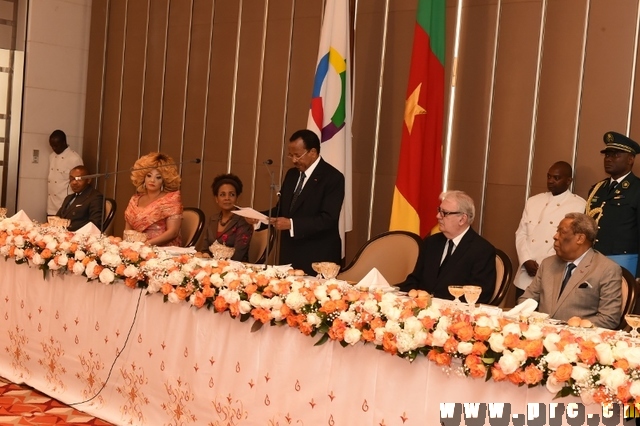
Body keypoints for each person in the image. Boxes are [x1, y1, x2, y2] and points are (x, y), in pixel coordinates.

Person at [518, 213, 622, 329]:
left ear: (580, 238)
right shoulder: (548, 264)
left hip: (578, 340)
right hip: (539, 332)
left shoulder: (606, 269)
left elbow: (609, 318)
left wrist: (565, 328)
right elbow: (526, 299)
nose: (555, 236)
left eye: (562, 232)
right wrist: (535, 320)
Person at [266, 129, 344, 275]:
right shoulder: (292, 174)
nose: (294, 160)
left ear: (313, 152)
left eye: (297, 155)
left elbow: (328, 219)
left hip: (317, 257)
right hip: (290, 255)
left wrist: (292, 224)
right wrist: (258, 218)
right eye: (291, 155)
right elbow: (282, 210)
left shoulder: (333, 177)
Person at [398, 190, 496, 304]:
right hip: (421, 311)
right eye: (439, 210)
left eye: (445, 213)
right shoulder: (431, 243)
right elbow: (414, 280)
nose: (438, 216)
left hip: (454, 315)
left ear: (462, 219)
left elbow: (478, 296)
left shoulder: (482, 250)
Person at [514, 161, 586, 299]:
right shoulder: (533, 201)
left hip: (553, 274)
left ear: (568, 181)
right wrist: (526, 260)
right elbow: (521, 234)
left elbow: (571, 243)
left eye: (556, 178)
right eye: (549, 177)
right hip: (525, 274)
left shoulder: (579, 205)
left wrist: (544, 265)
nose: (551, 181)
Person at [586, 131, 640, 277]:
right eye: (607, 155)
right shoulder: (598, 188)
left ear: (630, 159)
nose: (609, 159)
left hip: (624, 263)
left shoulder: (637, 189)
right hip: (593, 260)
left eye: (616, 155)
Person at [124, 152, 183, 246]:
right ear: (143, 177)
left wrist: (146, 244)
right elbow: (128, 232)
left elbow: (173, 233)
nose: (152, 180)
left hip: (163, 251)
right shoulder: (134, 200)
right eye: (149, 175)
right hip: (135, 249)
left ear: (164, 180)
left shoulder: (171, 200)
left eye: (158, 177)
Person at [200, 173, 253, 261]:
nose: (227, 198)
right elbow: (205, 249)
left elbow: (238, 255)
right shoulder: (213, 219)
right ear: (216, 199)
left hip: (234, 268)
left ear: (237, 198)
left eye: (231, 194)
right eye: (222, 195)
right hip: (211, 266)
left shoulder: (243, 220)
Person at [55, 165, 104, 232]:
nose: (74, 182)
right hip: (62, 234)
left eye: (79, 179)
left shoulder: (95, 197)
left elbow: (95, 224)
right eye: (72, 179)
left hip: (79, 236)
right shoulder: (69, 198)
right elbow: (57, 218)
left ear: (88, 180)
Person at [47, 129, 83, 216]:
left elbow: (80, 184)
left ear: (64, 142)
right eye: (52, 146)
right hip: (51, 205)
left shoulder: (74, 158)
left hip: (65, 206)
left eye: (56, 146)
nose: (54, 148)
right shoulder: (52, 157)